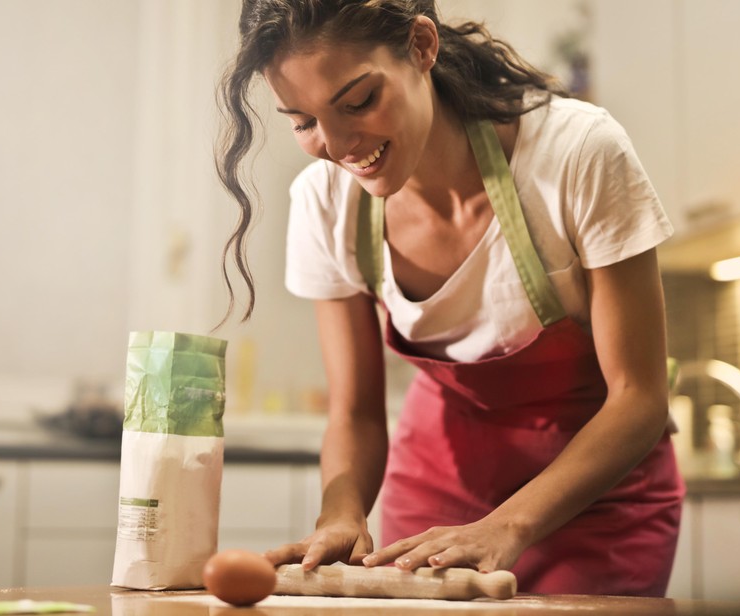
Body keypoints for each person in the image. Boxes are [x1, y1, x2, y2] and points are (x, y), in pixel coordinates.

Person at [215, 0, 684, 597]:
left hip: (597, 504)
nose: (335, 145)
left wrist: (505, 526)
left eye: (358, 101)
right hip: (436, 494)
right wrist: (340, 513)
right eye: (303, 121)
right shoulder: (325, 203)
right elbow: (355, 412)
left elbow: (639, 399)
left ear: (421, 47)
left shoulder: (576, 154)